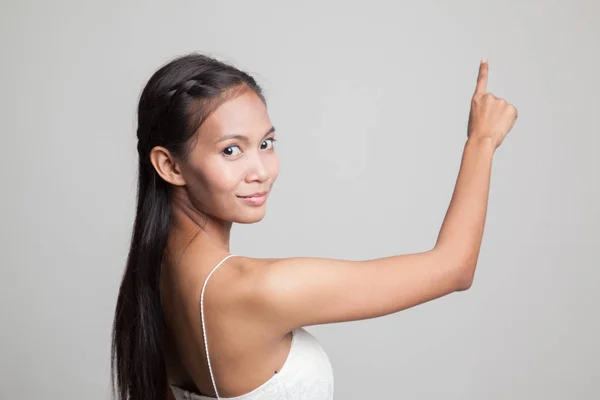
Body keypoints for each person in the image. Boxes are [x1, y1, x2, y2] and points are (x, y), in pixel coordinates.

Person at [111, 53, 517, 400]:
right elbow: (454, 268)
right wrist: (482, 141)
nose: (261, 171)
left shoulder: (156, 277)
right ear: (170, 165)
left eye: (266, 143)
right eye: (231, 150)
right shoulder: (256, 289)